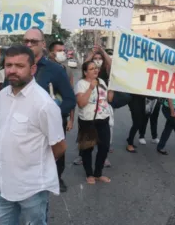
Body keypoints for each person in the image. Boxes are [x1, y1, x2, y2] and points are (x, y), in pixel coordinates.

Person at [0, 45, 66, 224]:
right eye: (9, 65)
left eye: (19, 66)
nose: (12, 70)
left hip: (32, 188)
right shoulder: (3, 95)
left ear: (32, 69)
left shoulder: (44, 104)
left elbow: (59, 147)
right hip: (5, 183)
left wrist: (35, 166)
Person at [15, 28, 75, 192]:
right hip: (23, 128)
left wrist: (54, 114)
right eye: (25, 41)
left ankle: (57, 178)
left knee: (56, 155)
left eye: (33, 42)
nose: (28, 44)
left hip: (49, 127)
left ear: (43, 45)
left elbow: (70, 100)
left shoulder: (55, 70)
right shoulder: (15, 69)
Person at [75, 61, 113, 185]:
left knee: (104, 147)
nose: (95, 70)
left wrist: (112, 87)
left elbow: (109, 99)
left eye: (96, 68)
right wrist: (91, 88)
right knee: (87, 149)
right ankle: (89, 174)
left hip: (103, 119)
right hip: (88, 121)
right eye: (91, 69)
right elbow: (81, 103)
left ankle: (98, 173)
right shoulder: (81, 84)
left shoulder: (101, 82)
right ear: (85, 72)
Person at [48, 40, 75, 192]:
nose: (62, 53)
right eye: (59, 50)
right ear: (51, 52)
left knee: (60, 148)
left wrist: (71, 119)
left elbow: (70, 95)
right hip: (43, 116)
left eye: (63, 50)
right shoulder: (41, 69)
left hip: (60, 116)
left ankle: (58, 178)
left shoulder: (66, 70)